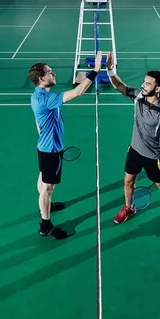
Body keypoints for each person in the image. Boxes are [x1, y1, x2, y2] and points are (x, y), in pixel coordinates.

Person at [29, 51, 102, 240]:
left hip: (44, 146)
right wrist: (95, 70)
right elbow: (78, 92)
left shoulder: (37, 95)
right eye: (49, 72)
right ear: (41, 78)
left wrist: (43, 137)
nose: (53, 74)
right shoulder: (46, 99)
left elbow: (38, 123)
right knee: (48, 187)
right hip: (50, 149)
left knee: (43, 177)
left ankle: (47, 205)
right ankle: (45, 225)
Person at [106, 51, 160, 232]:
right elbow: (119, 86)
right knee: (128, 182)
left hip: (154, 157)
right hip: (135, 151)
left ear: (158, 88)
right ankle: (129, 207)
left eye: (147, 83)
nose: (143, 85)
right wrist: (110, 70)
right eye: (144, 82)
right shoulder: (138, 97)